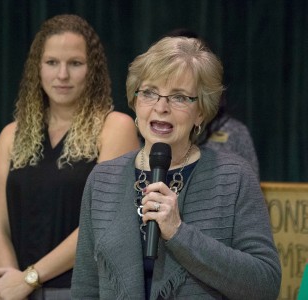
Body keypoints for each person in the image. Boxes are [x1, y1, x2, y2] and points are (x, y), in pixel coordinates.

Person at [71, 37, 281, 299]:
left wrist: (179, 233)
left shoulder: (234, 178)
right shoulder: (103, 180)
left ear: (201, 112)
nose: (161, 107)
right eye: (148, 92)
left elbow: (265, 284)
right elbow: (85, 287)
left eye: (179, 97)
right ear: (135, 101)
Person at [0, 14, 140, 300]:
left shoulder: (116, 128)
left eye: (75, 63)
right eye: (52, 62)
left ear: (92, 70)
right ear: (37, 68)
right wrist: (11, 280)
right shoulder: (11, 134)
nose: (62, 75)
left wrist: (30, 277)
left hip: (83, 290)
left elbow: (100, 224)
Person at [166, 28, 260, 177]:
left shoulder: (234, 132)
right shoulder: (150, 128)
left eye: (180, 96)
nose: (162, 106)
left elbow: (251, 191)